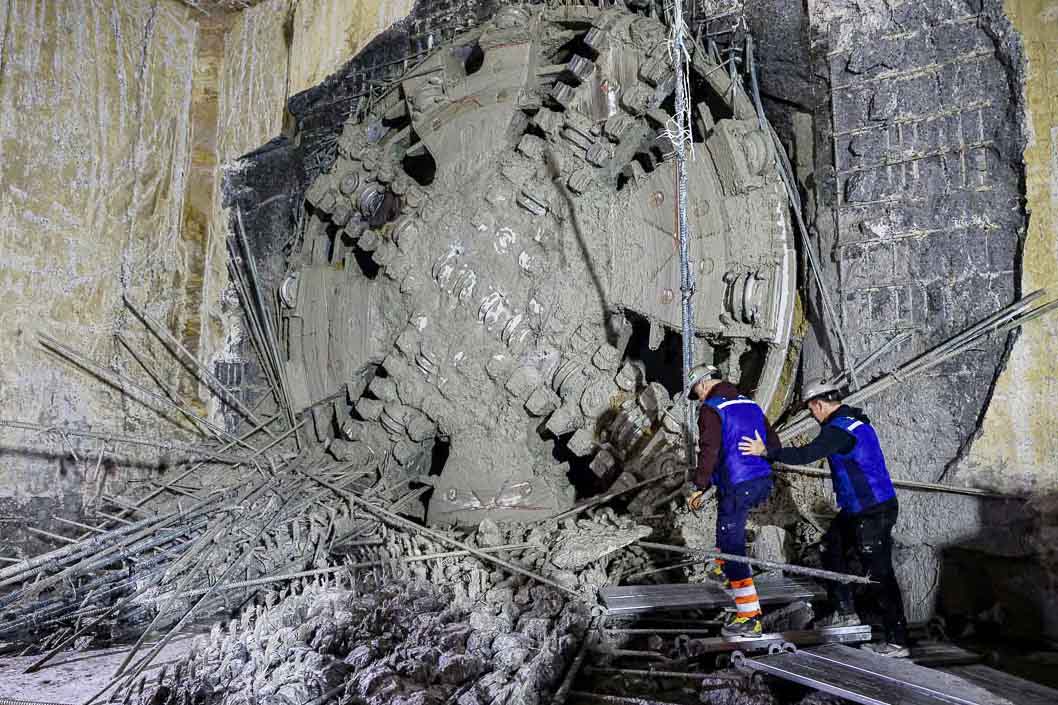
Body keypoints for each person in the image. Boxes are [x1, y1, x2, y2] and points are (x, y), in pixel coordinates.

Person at [738, 380, 909, 658]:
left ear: (818, 405)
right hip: (860, 509)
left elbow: (807, 454)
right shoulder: (854, 419)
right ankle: (846, 613)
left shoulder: (839, 430)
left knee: (880, 575)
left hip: (871, 512)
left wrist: (765, 452)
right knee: (831, 548)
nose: (812, 416)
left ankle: (897, 641)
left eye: (810, 410)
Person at [686, 364, 779, 637]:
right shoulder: (750, 404)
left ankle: (750, 616)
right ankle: (721, 569)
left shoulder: (711, 409)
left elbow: (709, 450)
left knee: (731, 546)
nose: (699, 398)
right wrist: (760, 453)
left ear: (703, 385)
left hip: (740, 485)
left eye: (697, 392)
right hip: (761, 481)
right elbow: (775, 444)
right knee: (726, 521)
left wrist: (698, 486)